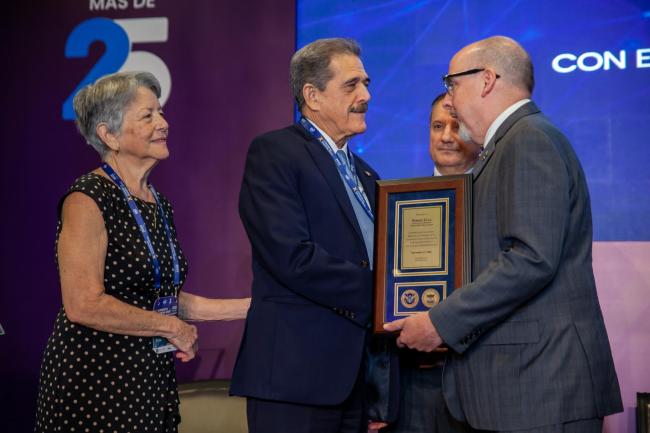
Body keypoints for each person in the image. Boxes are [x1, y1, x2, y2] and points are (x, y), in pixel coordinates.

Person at [385, 36, 623, 432]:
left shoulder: (527, 139)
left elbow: (530, 259)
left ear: (486, 80)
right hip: (527, 387)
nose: (450, 101)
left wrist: (440, 322)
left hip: (543, 387)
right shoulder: (511, 142)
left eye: (452, 84)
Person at [34, 71, 250, 433]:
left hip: (148, 377)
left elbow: (159, 297)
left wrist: (253, 307)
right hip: (96, 382)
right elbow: (83, 303)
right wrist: (170, 327)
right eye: (147, 116)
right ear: (109, 135)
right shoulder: (88, 198)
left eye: (160, 112)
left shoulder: (157, 202)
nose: (163, 123)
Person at [231, 38, 379, 433]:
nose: (365, 96)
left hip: (354, 382)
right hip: (294, 378)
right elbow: (290, 255)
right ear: (312, 96)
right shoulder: (276, 153)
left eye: (366, 83)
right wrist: (383, 293)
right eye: (351, 85)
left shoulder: (368, 175)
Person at [382, 93, 479, 433]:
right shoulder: (399, 205)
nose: (446, 137)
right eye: (437, 126)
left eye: (457, 126)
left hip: (481, 380)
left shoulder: (499, 199)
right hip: (414, 381)